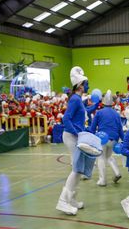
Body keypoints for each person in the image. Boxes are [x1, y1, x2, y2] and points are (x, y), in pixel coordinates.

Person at [56, 66, 89, 215]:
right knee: (76, 170)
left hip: (75, 135)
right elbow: (66, 118)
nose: (88, 85)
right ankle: (63, 202)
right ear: (80, 85)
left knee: (79, 169)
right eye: (86, 82)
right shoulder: (75, 99)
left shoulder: (77, 98)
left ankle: (72, 199)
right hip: (71, 136)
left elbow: (77, 118)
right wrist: (77, 133)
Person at [90, 90, 123, 187]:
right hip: (114, 139)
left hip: (102, 139)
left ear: (103, 102)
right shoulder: (116, 114)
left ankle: (102, 180)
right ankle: (117, 172)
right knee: (108, 156)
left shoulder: (99, 113)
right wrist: (124, 139)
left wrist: (90, 137)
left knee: (100, 158)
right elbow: (120, 128)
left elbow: (93, 127)